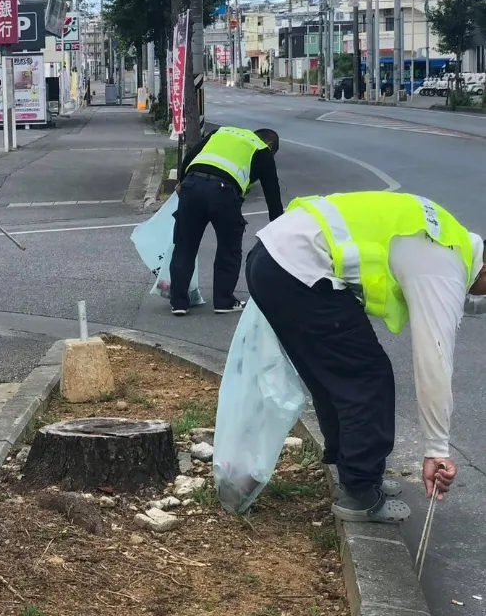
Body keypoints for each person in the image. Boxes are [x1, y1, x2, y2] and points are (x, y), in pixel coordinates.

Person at [246, 191, 485, 523]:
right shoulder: (445, 264)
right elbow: (435, 360)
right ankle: (360, 494)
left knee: (336, 376)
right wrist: (437, 450)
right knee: (368, 379)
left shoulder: (446, 235)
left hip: (272, 258)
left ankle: (356, 472)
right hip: (298, 267)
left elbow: (468, 299)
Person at [169, 125, 283, 316]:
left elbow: (190, 157)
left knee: (184, 245)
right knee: (228, 248)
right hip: (223, 193)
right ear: (270, 144)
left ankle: (178, 303)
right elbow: (272, 194)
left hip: (192, 186)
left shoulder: (220, 133)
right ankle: (223, 301)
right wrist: (279, 228)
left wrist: (181, 183)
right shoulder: (262, 150)